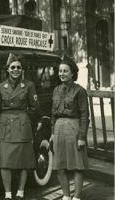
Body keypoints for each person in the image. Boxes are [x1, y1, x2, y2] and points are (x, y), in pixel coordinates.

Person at [0, 53, 40, 200]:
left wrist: (24, 118)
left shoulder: (29, 85)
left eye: (18, 67)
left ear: (22, 69)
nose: (15, 70)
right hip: (5, 127)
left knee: (24, 161)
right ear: (7, 69)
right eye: (13, 67)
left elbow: (35, 108)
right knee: (5, 161)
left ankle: (20, 191)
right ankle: (7, 193)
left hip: (22, 125)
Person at [50, 57, 89, 200]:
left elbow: (85, 115)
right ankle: (66, 196)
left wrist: (82, 137)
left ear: (73, 73)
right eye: (60, 71)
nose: (62, 74)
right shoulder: (56, 90)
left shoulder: (80, 91)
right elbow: (53, 115)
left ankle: (77, 196)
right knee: (59, 165)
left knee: (77, 165)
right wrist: (53, 133)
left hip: (74, 128)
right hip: (59, 130)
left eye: (65, 71)